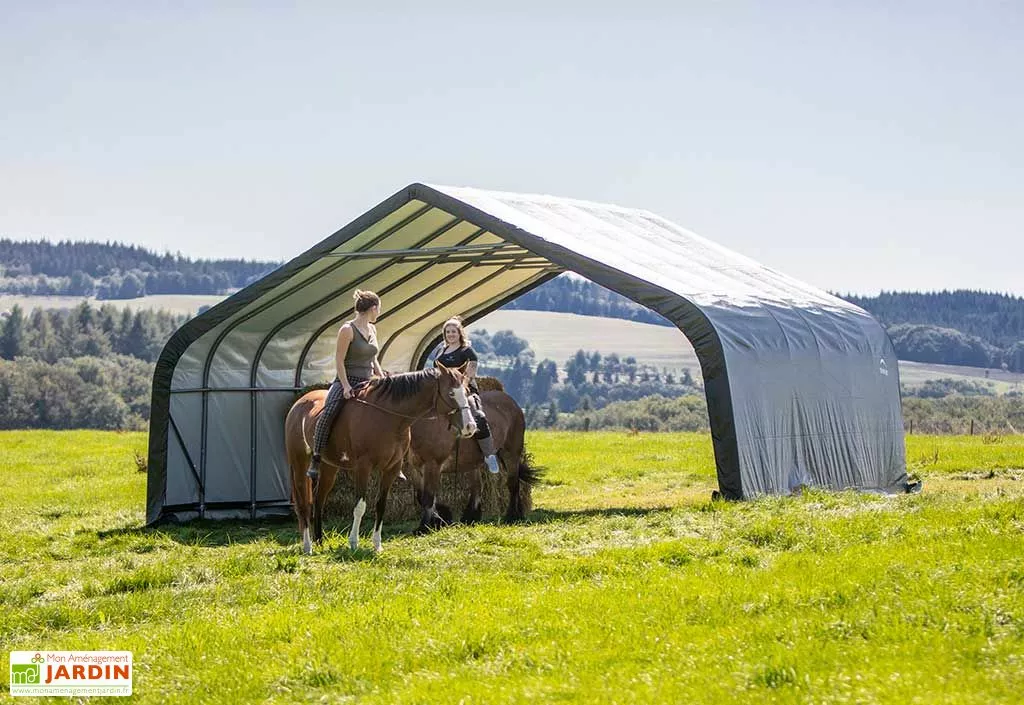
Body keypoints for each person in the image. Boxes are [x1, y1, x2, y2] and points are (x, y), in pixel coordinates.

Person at [307, 290, 387, 481]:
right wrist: (344, 386)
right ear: (373, 308)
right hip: (348, 380)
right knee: (328, 412)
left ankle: (393, 459)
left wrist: (382, 376)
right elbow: (339, 361)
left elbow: (372, 357)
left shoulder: (373, 329)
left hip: (368, 380)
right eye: (379, 310)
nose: (379, 314)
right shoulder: (347, 330)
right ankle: (316, 457)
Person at [427, 316, 500, 474]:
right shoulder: (440, 351)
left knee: (478, 416)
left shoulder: (467, 351)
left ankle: (489, 455)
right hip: (442, 393)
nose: (450, 334)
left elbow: (470, 374)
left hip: (463, 391)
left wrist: (459, 389)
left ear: (460, 333)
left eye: (453, 331)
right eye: (447, 332)